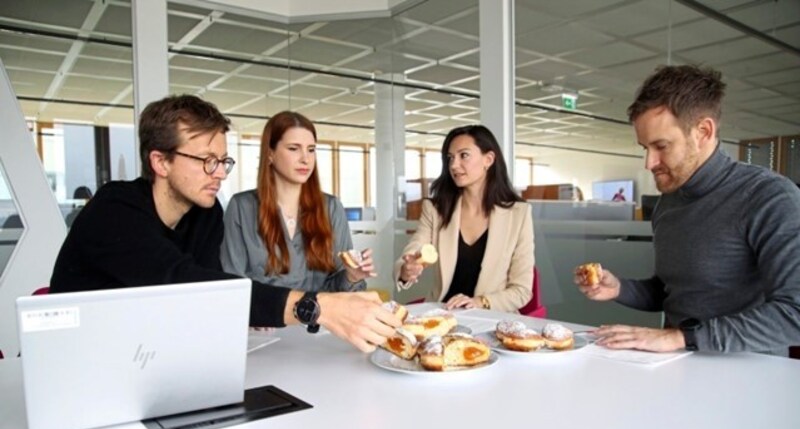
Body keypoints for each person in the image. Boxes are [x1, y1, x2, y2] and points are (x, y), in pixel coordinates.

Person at [49, 95, 398, 352]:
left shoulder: (206, 212)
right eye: (206, 160)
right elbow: (184, 283)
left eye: (223, 161)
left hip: (154, 357)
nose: (219, 173)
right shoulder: (114, 209)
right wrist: (318, 307)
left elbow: (214, 295)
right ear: (160, 161)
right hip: (78, 357)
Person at [575, 65, 800, 355]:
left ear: (703, 132)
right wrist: (619, 288)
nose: (649, 163)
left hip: (749, 374)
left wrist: (679, 338)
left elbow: (794, 314)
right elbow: (673, 291)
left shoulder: (770, 197)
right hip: (679, 367)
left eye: (661, 146)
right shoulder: (669, 202)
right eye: (645, 147)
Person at [221, 111, 373, 293]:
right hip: (264, 320)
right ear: (270, 154)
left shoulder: (331, 208)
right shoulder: (242, 207)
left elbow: (338, 291)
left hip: (320, 319)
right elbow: (233, 284)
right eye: (294, 149)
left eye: (311, 149)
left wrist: (352, 276)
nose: (305, 159)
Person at [394, 125, 533, 312]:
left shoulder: (519, 214)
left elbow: (522, 291)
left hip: (492, 320)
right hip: (443, 316)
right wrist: (405, 269)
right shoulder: (436, 209)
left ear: (488, 159)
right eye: (450, 158)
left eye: (463, 155)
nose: (453, 165)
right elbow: (414, 249)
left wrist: (480, 302)